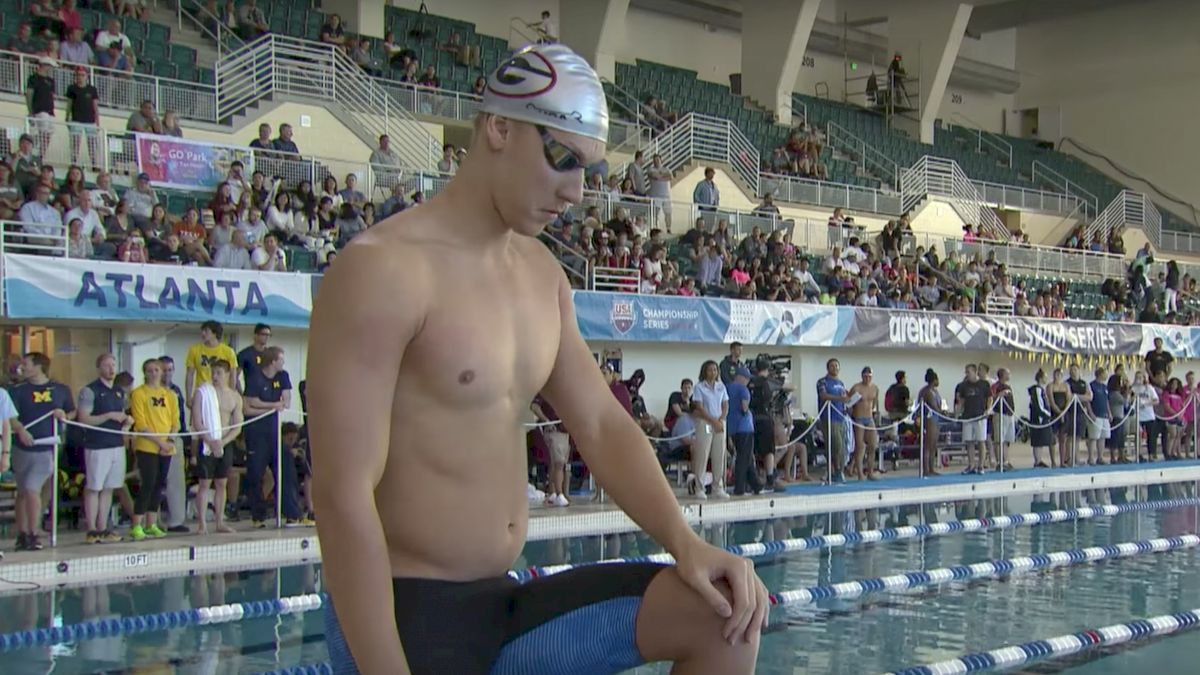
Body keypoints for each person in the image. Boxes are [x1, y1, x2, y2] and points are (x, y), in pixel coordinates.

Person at [307, 43, 766, 675]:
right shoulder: (384, 271)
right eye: (562, 160)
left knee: (726, 617)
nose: (576, 192)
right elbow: (340, 493)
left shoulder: (542, 275)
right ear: (498, 127)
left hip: (504, 600)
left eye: (590, 172)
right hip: (406, 609)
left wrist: (685, 545)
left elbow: (601, 425)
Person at [8, 352, 76, 552]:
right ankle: (22, 533)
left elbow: (71, 411)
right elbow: (10, 416)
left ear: (38, 366)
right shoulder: (18, 391)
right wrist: (21, 430)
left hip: (46, 448)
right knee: (22, 492)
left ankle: (33, 532)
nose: (22, 368)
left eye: (26, 364)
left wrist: (63, 415)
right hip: (22, 448)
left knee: (32, 489)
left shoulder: (61, 389)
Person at [242, 346, 306, 527]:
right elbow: (249, 405)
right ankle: (258, 516)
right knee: (256, 474)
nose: (283, 363)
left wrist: (266, 405)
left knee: (286, 469)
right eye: (281, 360)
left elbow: (286, 400)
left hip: (274, 431)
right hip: (256, 432)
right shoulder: (255, 377)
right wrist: (272, 406)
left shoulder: (282, 376)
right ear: (272, 362)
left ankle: (292, 513)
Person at [77, 353, 132, 544]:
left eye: (113, 365)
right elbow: (83, 418)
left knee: (109, 487)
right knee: (94, 486)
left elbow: (122, 415)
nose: (111, 369)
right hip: (97, 445)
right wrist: (108, 416)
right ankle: (91, 528)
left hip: (116, 444)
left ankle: (102, 527)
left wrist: (126, 421)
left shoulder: (119, 391)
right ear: (99, 367)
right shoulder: (90, 391)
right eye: (107, 365)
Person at [129, 358, 178, 541]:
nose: (154, 373)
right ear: (145, 373)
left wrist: (170, 441)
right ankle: (136, 525)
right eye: (150, 370)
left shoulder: (170, 395)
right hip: (147, 447)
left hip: (167, 447)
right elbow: (141, 424)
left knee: (159, 485)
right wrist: (161, 443)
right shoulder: (139, 394)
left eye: (157, 370)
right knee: (147, 484)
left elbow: (175, 421)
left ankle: (151, 524)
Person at [191, 359, 242, 534]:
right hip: (207, 442)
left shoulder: (234, 397)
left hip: (224, 443)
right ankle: (202, 523)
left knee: (221, 483)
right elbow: (197, 422)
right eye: (213, 372)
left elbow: (237, 427)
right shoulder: (202, 393)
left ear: (228, 374)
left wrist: (222, 442)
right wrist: (210, 441)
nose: (215, 376)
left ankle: (220, 521)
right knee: (205, 483)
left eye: (219, 373)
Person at [690, 360, 730, 499]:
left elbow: (725, 405)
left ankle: (718, 487)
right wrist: (713, 421)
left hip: (719, 424)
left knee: (719, 455)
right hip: (706, 423)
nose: (713, 372)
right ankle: (699, 488)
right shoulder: (699, 387)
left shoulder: (721, 387)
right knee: (703, 454)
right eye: (710, 370)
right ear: (704, 372)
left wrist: (720, 420)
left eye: (715, 370)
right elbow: (699, 407)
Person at [185, 320, 239, 407]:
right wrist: (188, 397)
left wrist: (231, 394)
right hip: (202, 393)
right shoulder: (194, 350)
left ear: (214, 333)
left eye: (206, 331)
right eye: (202, 331)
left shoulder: (228, 351)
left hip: (221, 394)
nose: (203, 333)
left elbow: (233, 375)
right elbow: (190, 375)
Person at [727, 366, 759, 496]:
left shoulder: (727, 388)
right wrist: (747, 413)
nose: (748, 381)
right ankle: (740, 488)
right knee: (743, 458)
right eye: (746, 378)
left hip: (732, 428)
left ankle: (756, 485)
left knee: (747, 458)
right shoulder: (743, 389)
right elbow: (744, 407)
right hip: (744, 428)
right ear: (740, 377)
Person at [954, 364, 991, 474]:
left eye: (968, 372)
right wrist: (957, 413)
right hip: (967, 416)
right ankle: (971, 465)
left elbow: (989, 398)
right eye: (966, 372)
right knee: (969, 442)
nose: (967, 374)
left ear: (975, 372)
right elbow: (961, 401)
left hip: (980, 416)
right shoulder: (963, 386)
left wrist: (988, 409)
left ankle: (981, 465)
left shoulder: (984, 384)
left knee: (981, 441)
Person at [846, 367, 880, 481]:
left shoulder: (875, 388)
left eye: (869, 376)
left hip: (869, 418)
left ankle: (870, 472)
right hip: (859, 418)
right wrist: (851, 419)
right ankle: (860, 473)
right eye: (865, 376)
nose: (867, 379)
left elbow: (875, 405)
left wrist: (876, 417)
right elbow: (848, 403)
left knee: (872, 445)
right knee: (860, 447)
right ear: (862, 376)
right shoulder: (856, 388)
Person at [1028, 370, 1055, 468]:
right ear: (1040, 378)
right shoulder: (1037, 390)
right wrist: (1047, 415)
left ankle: (1038, 459)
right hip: (1039, 418)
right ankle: (1037, 461)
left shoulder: (1041, 389)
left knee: (1040, 441)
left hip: (1041, 418)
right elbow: (1039, 405)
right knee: (1038, 440)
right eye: (1045, 377)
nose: (1046, 379)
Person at [917, 369, 942, 476]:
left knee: (933, 445)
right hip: (929, 418)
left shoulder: (935, 391)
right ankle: (926, 469)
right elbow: (934, 407)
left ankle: (931, 468)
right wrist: (943, 413)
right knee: (928, 445)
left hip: (935, 418)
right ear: (934, 380)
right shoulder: (927, 391)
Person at [1133, 370, 1161, 461]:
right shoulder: (1132, 388)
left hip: (1149, 415)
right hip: (1138, 416)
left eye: (1140, 377)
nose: (1139, 379)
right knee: (1138, 436)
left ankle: (1151, 454)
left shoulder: (1149, 388)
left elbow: (1156, 400)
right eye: (1137, 377)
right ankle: (1138, 454)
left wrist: (1146, 403)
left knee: (1151, 436)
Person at [1087, 368, 1111, 466]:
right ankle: (1091, 458)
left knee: (1103, 437)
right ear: (1100, 374)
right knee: (1093, 437)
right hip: (1095, 414)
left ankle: (1100, 457)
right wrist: (1090, 413)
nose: (1106, 375)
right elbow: (1088, 401)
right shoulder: (1091, 385)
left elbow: (1106, 401)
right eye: (1105, 373)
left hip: (1104, 415)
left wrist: (1109, 413)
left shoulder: (1105, 387)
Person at [237, 323, 272, 390]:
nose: (267, 337)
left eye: (269, 335)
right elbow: (235, 376)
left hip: (268, 395)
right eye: (264, 334)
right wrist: (240, 394)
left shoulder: (270, 354)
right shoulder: (245, 354)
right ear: (256, 335)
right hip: (251, 394)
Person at [1047, 368, 1070, 467]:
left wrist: (1064, 412)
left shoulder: (1066, 386)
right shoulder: (1050, 386)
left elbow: (1069, 400)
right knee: (1053, 438)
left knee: (1063, 439)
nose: (1058, 377)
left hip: (1064, 413)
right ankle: (1053, 462)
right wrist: (1059, 413)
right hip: (1054, 414)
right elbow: (1051, 402)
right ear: (1053, 375)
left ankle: (1062, 461)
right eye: (1056, 375)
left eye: (1060, 375)